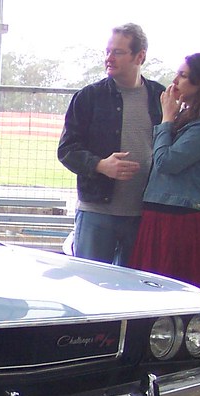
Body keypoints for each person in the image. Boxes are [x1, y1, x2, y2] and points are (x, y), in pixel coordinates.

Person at [129, 53, 200, 396]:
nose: (176, 82)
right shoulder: (193, 120)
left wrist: (166, 120)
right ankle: (167, 379)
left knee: (192, 302)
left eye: (185, 77)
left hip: (184, 221)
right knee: (158, 301)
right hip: (162, 215)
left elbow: (167, 162)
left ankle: (199, 386)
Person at [58, 23, 165, 266]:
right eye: (107, 51)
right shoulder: (89, 97)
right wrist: (100, 165)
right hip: (97, 212)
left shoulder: (160, 97)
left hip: (144, 214)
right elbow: (66, 150)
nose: (109, 58)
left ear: (140, 56)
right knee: (90, 286)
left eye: (117, 52)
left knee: (132, 291)